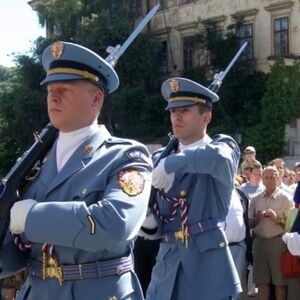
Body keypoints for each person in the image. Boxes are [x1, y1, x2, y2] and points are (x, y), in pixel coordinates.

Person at [0, 41, 152, 300]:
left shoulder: (125, 156)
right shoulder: (33, 163)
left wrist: (30, 217)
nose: (53, 96)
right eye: (50, 90)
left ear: (96, 99)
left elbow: (115, 224)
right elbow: (17, 253)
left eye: (64, 89)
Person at [146, 77, 241, 299]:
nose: (176, 116)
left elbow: (218, 158)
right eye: (172, 111)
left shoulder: (221, 147)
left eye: (185, 110)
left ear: (206, 117)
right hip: (167, 265)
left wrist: (170, 165)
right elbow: (155, 225)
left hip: (206, 267)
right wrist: (147, 216)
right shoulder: (159, 157)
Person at [248, 166, 293, 300]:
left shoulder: (285, 199)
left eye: (272, 177)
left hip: (278, 243)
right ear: (262, 179)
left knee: (279, 282)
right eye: (266, 177)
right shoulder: (255, 199)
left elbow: (291, 226)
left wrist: (276, 219)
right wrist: (257, 218)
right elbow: (249, 224)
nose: (269, 180)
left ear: (278, 178)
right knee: (262, 282)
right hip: (260, 243)